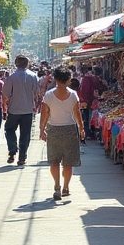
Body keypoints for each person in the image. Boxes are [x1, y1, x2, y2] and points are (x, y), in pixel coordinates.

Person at [39, 67, 86, 201]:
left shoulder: (48, 95)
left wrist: (42, 130)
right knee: (68, 162)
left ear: (56, 79)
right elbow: (77, 113)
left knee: (54, 161)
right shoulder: (73, 95)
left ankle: (57, 186)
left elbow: (44, 114)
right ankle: (66, 187)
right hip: (70, 130)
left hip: (53, 130)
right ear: (69, 80)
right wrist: (81, 128)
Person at [2, 54, 39, 166]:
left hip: (14, 110)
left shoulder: (11, 77)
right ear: (27, 64)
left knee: (9, 129)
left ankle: (12, 149)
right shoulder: (33, 76)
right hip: (28, 110)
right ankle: (22, 157)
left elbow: (5, 93)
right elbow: (36, 92)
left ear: (16, 64)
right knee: (25, 134)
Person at [78, 65, 99, 140]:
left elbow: (82, 90)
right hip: (91, 101)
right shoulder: (93, 79)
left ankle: (87, 133)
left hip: (85, 101)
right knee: (89, 117)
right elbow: (96, 88)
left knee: (86, 117)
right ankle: (90, 133)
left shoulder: (84, 79)